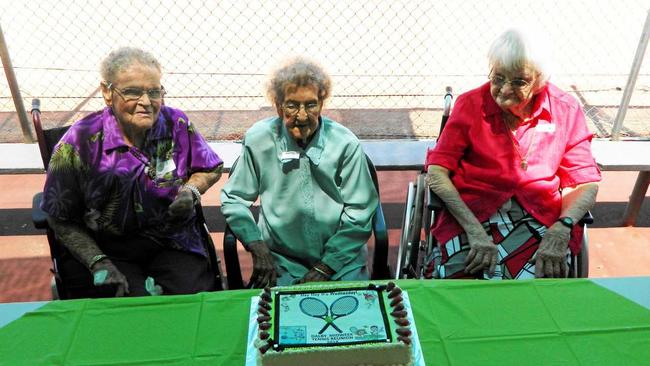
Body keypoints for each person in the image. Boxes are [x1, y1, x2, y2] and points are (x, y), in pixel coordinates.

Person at [41, 47, 224, 297]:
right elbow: (59, 218)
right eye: (132, 92)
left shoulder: (176, 124)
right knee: (129, 306)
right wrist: (98, 262)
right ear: (107, 92)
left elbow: (211, 166)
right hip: (109, 247)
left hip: (172, 241)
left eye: (154, 92)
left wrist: (191, 190)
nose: (146, 102)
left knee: (191, 302)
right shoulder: (79, 142)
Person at [424, 28, 600, 280]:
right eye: (498, 78)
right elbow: (437, 172)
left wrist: (563, 227)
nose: (505, 89)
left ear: (539, 80)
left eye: (519, 81)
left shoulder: (565, 109)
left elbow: (584, 181)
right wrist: (474, 231)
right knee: (456, 279)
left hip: (541, 218)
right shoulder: (470, 104)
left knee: (546, 285)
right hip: (472, 214)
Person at [221, 57, 379, 287]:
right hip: (281, 260)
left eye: (311, 104)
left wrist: (326, 266)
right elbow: (233, 199)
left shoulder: (345, 144)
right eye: (292, 105)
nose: (302, 116)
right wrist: (256, 245)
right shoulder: (259, 140)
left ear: (322, 104)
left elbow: (361, 211)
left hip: (341, 261)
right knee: (271, 317)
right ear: (277, 106)